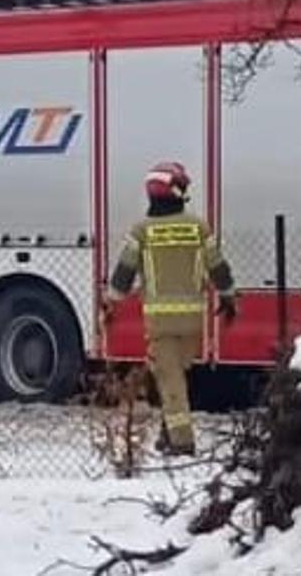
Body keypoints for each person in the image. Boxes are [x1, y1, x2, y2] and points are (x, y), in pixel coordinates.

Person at [104, 162, 237, 455]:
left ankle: (182, 441)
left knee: (170, 379)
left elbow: (123, 274)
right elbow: (218, 268)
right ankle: (167, 433)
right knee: (173, 374)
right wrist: (228, 297)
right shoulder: (199, 227)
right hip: (192, 320)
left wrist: (110, 302)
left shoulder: (141, 232)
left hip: (161, 322)